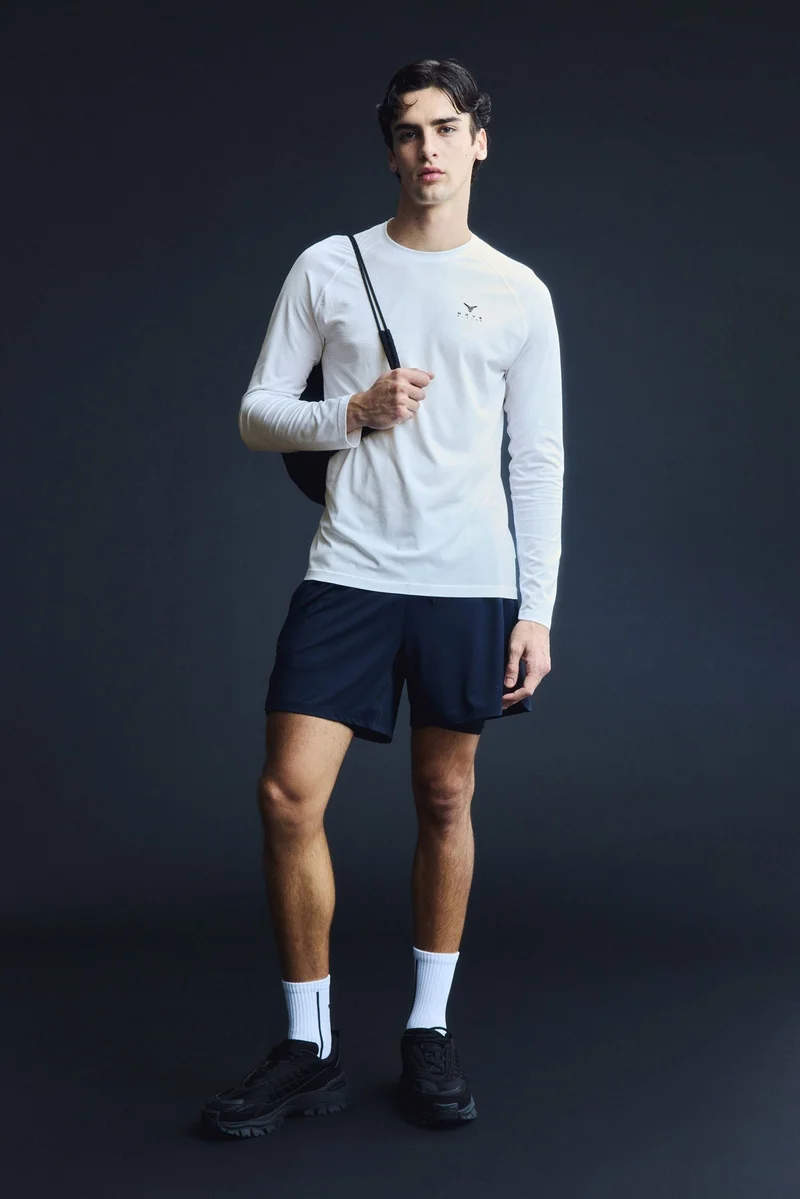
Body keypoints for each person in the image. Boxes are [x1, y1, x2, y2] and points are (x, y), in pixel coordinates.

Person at [201, 56, 564, 1139]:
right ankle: (308, 1045)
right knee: (287, 794)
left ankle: (427, 1029)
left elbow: (537, 458)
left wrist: (536, 608)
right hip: (350, 568)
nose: (428, 149)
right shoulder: (330, 265)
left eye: (446, 128)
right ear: (390, 151)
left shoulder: (518, 290)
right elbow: (258, 412)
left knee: (445, 798)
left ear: (478, 141)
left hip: (468, 581)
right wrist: (348, 412)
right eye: (409, 132)